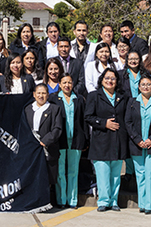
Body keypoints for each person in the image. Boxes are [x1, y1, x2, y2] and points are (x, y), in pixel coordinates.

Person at [85, 69, 128, 212]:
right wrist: (104, 123)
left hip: (118, 140)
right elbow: (88, 117)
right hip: (101, 140)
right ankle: (103, 201)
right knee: (103, 173)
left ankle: (114, 200)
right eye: (107, 78)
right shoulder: (94, 96)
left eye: (113, 78)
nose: (110, 81)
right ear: (101, 80)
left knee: (116, 174)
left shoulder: (123, 96)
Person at [124, 75, 151, 214]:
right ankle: (142, 203)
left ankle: (150, 205)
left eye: (148, 84)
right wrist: (137, 139)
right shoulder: (132, 102)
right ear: (138, 87)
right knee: (140, 174)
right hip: (137, 144)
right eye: (143, 84)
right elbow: (128, 123)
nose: (146, 87)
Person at [49, 74, 88, 209]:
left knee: (73, 170)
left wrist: (86, 139)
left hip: (76, 139)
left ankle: (73, 200)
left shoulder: (79, 99)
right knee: (60, 171)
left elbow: (83, 120)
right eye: (64, 82)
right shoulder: (53, 98)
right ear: (59, 84)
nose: (67, 85)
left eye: (70, 83)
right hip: (60, 139)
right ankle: (61, 200)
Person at [24, 83, 63, 186]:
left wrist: (45, 141)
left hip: (48, 149)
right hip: (32, 149)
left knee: (48, 178)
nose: (41, 96)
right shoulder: (28, 109)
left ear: (48, 95)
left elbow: (57, 128)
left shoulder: (55, 109)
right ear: (34, 94)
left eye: (44, 93)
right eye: (39, 93)